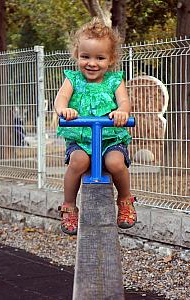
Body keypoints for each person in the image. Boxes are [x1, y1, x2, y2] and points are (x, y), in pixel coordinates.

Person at [54, 18, 137, 235]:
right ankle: (69, 205)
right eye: (85, 57)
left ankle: (125, 198)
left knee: (116, 163)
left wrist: (121, 112)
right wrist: (64, 110)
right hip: (82, 139)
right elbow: (60, 99)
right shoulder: (73, 80)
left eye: (100, 58)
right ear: (77, 55)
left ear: (110, 60)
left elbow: (125, 102)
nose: (92, 63)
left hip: (110, 138)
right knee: (78, 161)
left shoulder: (114, 81)